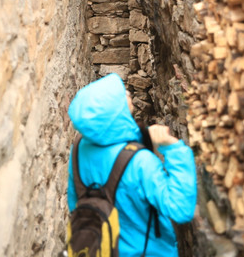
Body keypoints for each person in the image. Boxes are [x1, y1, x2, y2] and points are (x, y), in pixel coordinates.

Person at [67, 73, 197, 256]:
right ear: (114, 113)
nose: (127, 91)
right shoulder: (140, 162)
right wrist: (174, 148)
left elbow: (76, 203)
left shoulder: (79, 148)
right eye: (121, 94)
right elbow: (180, 209)